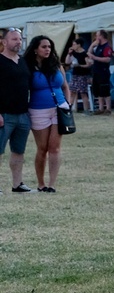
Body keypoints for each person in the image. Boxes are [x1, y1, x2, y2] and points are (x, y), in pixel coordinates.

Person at [24, 36, 66, 193]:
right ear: (35, 49)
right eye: (44, 47)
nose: (47, 49)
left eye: (49, 47)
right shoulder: (28, 66)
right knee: (42, 148)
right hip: (38, 110)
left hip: (59, 108)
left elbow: (65, 86)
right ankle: (41, 183)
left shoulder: (56, 64)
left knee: (55, 147)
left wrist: (68, 104)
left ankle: (52, 184)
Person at [2, 29, 34, 193]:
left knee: (18, 151)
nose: (18, 42)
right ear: (4, 42)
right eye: (14, 39)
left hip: (22, 114)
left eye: (20, 39)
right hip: (4, 115)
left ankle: (17, 184)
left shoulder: (23, 61)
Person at [89, 32, 114, 115]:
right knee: (98, 90)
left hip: (103, 71)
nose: (96, 37)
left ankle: (108, 108)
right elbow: (89, 53)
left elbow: (108, 59)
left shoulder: (107, 47)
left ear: (101, 36)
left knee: (105, 89)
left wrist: (95, 58)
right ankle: (101, 108)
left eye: (97, 35)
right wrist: (92, 45)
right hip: (96, 70)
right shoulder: (97, 46)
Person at [65, 36, 91, 114]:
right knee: (72, 91)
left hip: (82, 75)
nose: (73, 46)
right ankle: (69, 109)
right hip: (75, 74)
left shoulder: (84, 54)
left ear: (79, 45)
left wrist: (79, 65)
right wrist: (69, 53)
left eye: (74, 44)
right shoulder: (73, 53)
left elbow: (88, 64)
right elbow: (67, 62)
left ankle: (86, 110)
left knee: (83, 93)